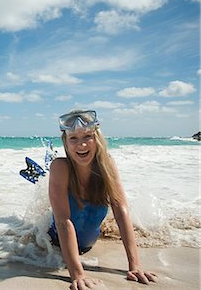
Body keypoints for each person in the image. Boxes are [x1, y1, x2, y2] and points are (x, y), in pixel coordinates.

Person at [47, 110, 157, 290]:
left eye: (87, 136)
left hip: (89, 245)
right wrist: (78, 274)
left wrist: (134, 266)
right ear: (66, 143)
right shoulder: (60, 167)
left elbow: (121, 211)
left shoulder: (107, 166)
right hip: (54, 244)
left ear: (97, 138)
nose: (81, 144)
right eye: (73, 138)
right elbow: (62, 220)